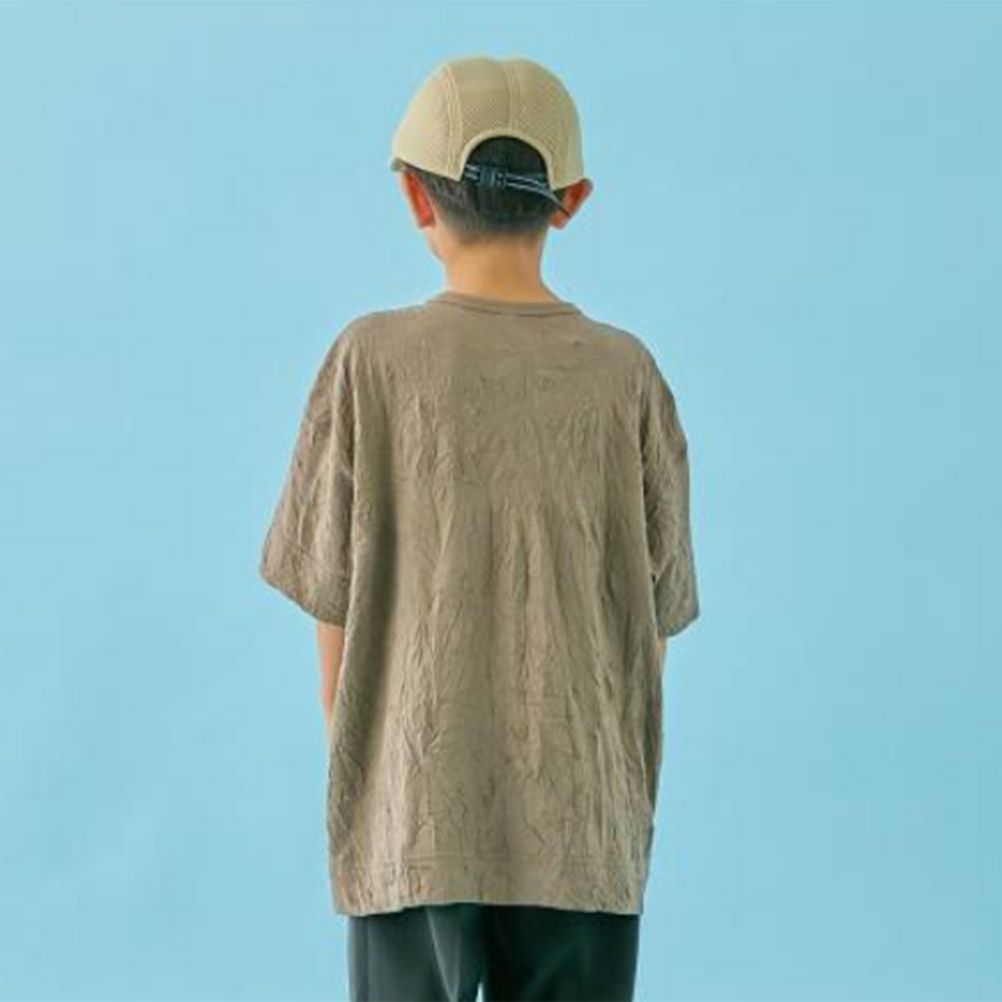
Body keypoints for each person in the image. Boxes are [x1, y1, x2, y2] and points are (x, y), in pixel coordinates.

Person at [258, 54, 700, 1002]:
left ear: (415, 197)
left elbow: (333, 606)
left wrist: (376, 764)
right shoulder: (627, 375)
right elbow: (652, 624)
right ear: (572, 201)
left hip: (413, 815)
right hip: (582, 822)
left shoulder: (367, 362)